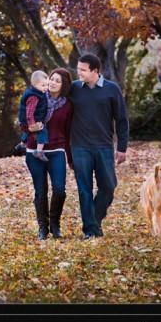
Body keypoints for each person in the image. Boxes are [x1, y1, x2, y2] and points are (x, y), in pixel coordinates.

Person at [68, 54, 129, 240]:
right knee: (84, 189)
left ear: (95, 71)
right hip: (79, 147)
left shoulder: (112, 89)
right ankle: (90, 231)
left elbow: (121, 120)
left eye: (82, 70)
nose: (78, 73)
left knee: (109, 186)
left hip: (104, 146)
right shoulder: (74, 89)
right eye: (78, 69)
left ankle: (94, 219)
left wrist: (122, 147)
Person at [24, 68, 74, 240]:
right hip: (34, 151)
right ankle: (43, 228)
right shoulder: (36, 97)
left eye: (57, 81)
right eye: (51, 79)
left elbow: (68, 132)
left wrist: (70, 157)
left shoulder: (67, 105)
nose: (53, 83)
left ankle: (55, 224)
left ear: (64, 85)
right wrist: (28, 128)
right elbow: (23, 119)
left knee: (59, 190)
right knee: (41, 191)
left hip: (57, 151)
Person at [16, 70, 50, 162]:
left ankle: (22, 143)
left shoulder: (37, 92)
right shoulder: (34, 96)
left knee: (28, 131)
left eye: (47, 85)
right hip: (31, 120)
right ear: (35, 85)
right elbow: (30, 112)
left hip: (26, 121)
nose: (46, 87)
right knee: (42, 132)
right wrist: (32, 124)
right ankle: (38, 151)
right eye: (43, 85)